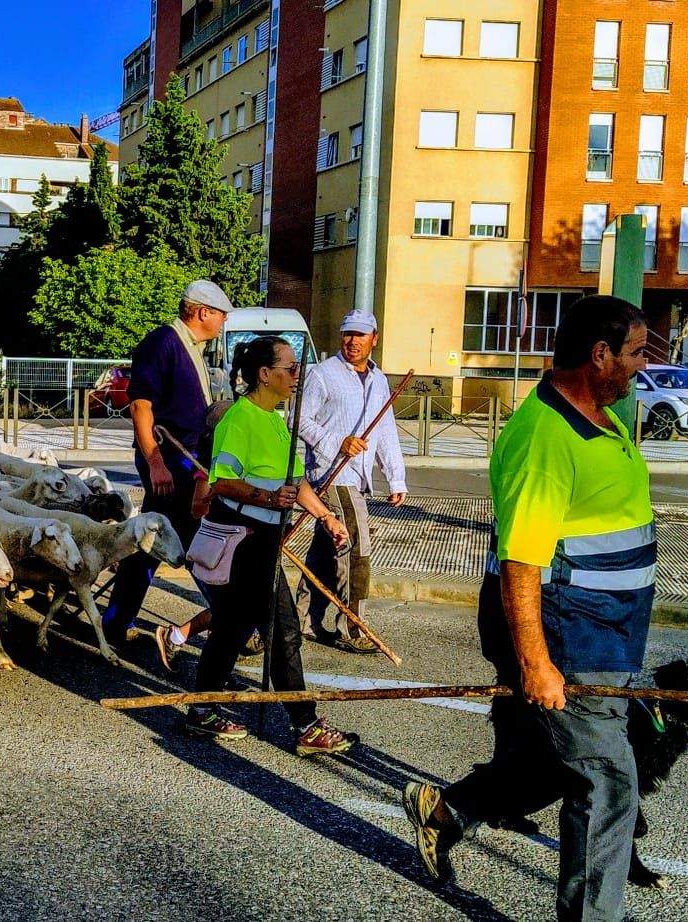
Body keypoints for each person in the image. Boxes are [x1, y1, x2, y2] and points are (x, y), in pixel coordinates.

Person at [402, 296, 654, 922]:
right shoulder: (544, 438)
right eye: (636, 353)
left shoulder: (600, 416)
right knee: (606, 780)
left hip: (609, 635)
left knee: (554, 765)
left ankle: (447, 810)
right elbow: (522, 564)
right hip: (569, 635)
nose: (642, 366)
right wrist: (536, 662)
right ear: (600, 356)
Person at [180, 334, 355, 756]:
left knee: (233, 625)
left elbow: (296, 483)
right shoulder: (238, 419)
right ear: (264, 374)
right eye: (290, 368)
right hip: (242, 540)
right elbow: (220, 482)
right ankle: (305, 722)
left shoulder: (278, 420)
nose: (297, 376)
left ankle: (203, 707)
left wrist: (327, 517)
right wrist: (265, 498)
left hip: (264, 540)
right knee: (282, 630)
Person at [102, 280, 229, 661]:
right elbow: (141, 407)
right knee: (193, 537)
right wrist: (156, 462)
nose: (223, 322)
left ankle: (115, 621)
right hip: (170, 461)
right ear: (202, 312)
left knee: (152, 544)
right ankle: (232, 616)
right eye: (221, 314)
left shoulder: (192, 347)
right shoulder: (163, 343)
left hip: (185, 460)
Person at [295, 310, 407, 654]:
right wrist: (337, 441)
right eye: (348, 334)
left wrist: (396, 477)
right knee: (357, 550)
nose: (353, 341)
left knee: (324, 552)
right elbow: (298, 420)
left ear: (374, 338)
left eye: (361, 335)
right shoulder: (322, 374)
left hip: (357, 478)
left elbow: (385, 430)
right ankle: (353, 626)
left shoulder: (379, 379)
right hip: (331, 475)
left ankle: (299, 619)